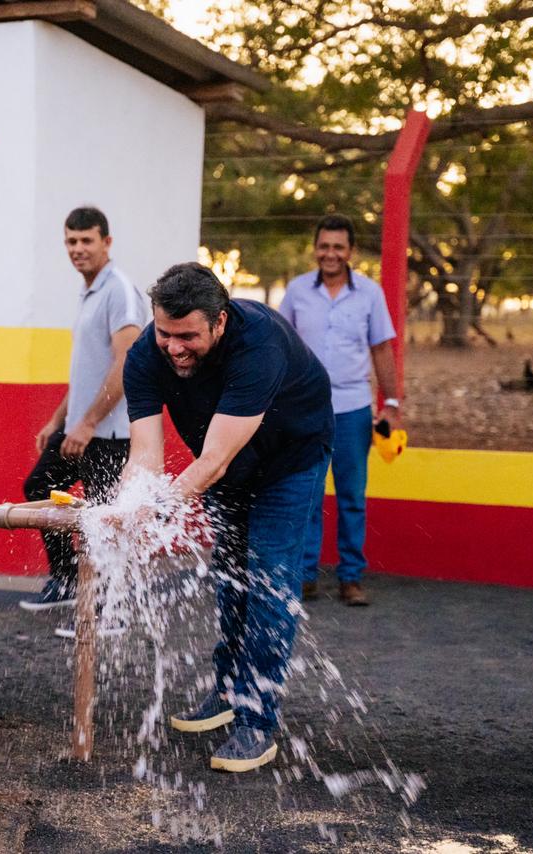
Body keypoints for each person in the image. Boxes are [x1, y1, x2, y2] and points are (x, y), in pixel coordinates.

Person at [119, 263, 333, 773]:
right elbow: (144, 456)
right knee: (230, 580)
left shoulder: (258, 344)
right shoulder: (145, 355)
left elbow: (212, 460)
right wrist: (129, 509)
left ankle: (257, 722)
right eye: (165, 333)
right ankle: (229, 693)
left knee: (268, 581)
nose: (173, 347)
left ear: (220, 322)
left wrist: (162, 508)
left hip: (289, 460)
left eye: (188, 335)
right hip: (226, 468)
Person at [19, 207, 148, 617]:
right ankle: (69, 579)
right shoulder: (90, 290)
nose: (78, 249)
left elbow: (126, 364)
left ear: (106, 243)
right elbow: (90, 369)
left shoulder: (120, 291)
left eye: (86, 240)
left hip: (109, 434)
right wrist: (59, 419)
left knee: (103, 523)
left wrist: (88, 422)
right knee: (40, 489)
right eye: (71, 241)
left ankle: (114, 612)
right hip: (81, 428)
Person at [279, 213, 399, 606]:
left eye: (338, 247)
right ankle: (306, 575)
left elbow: (382, 348)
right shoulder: (296, 292)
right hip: (306, 410)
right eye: (324, 246)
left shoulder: (369, 294)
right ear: (316, 249)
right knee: (307, 493)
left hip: (353, 409)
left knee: (351, 494)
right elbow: (280, 347)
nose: (330, 254)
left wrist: (392, 404)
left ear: (351, 252)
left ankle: (351, 577)